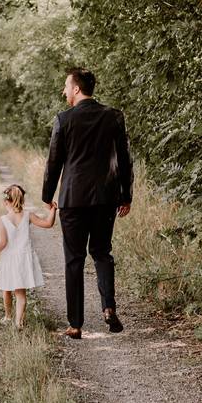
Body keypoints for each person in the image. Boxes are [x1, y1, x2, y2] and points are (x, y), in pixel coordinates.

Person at [42, 67, 134, 339]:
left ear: (77, 89)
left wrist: (48, 196)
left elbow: (54, 161)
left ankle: (76, 324)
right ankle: (108, 307)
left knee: (74, 259)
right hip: (106, 198)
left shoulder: (64, 120)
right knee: (102, 252)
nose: (64, 91)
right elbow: (126, 159)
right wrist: (126, 195)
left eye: (66, 86)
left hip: (73, 199)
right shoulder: (114, 117)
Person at [0, 184, 57, 330]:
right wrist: (53, 210)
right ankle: (19, 322)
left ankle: (8, 316)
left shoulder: (3, 219)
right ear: (22, 200)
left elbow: (3, 242)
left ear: (7, 202)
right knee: (20, 293)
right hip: (24, 258)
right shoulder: (28, 215)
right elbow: (48, 223)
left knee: (6, 288)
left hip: (9, 259)